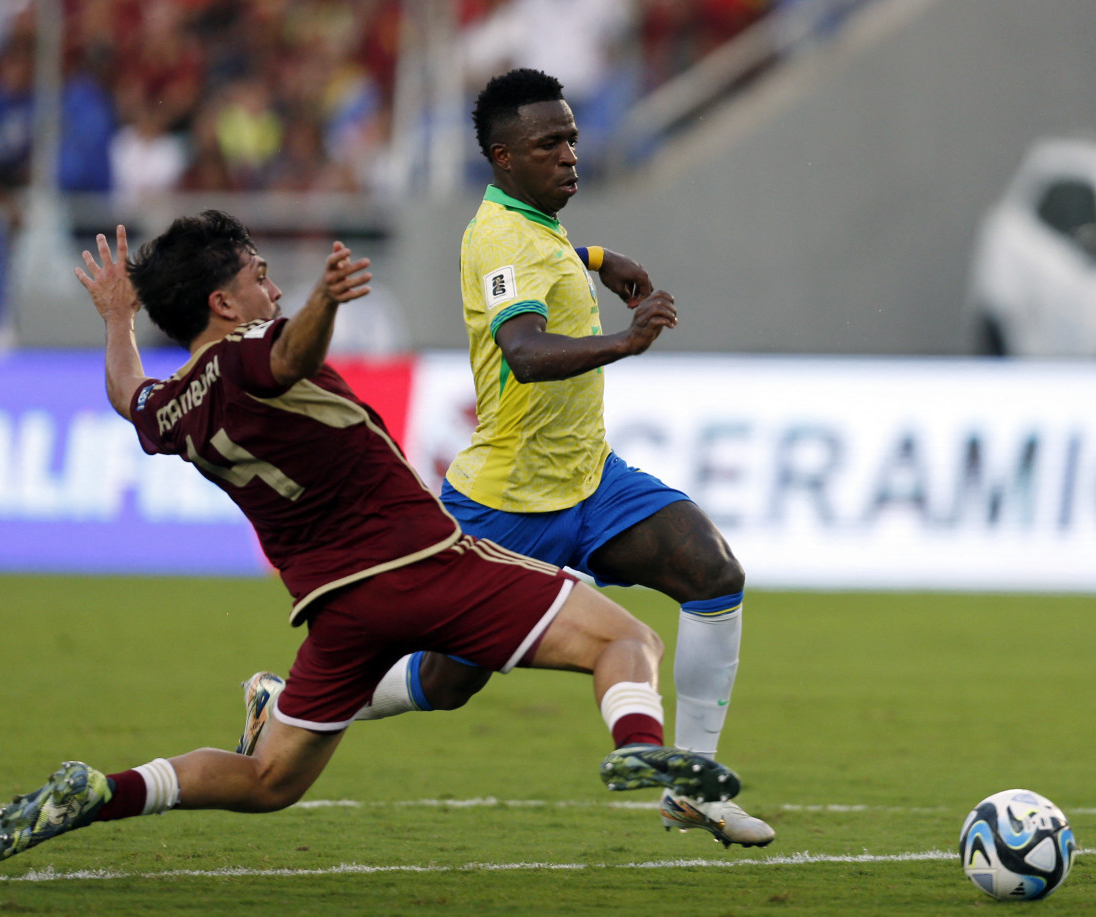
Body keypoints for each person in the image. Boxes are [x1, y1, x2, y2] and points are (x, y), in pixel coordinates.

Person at [0, 212, 742, 863]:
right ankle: (637, 744)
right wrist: (324, 300)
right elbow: (288, 356)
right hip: (426, 563)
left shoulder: (174, 405)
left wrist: (117, 318)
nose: (272, 289)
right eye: (259, 276)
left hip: (338, 610)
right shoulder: (255, 354)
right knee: (626, 641)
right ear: (222, 301)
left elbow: (126, 395)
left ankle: (106, 789)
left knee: (270, 781)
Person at [245, 69, 774, 850]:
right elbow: (523, 351)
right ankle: (286, 702)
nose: (569, 155)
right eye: (548, 143)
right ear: (502, 156)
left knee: (713, 573)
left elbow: (542, 256)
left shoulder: (531, 221)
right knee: (448, 682)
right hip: (507, 504)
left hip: (590, 478)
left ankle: (689, 785)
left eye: (572, 138)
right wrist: (625, 340)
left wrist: (595, 255)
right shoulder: (495, 236)